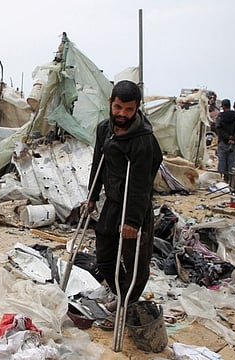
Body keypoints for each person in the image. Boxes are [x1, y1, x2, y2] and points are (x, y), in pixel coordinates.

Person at [87, 80, 162, 323]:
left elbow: (141, 184)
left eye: (129, 110)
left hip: (136, 206)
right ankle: (120, 290)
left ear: (137, 108)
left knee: (135, 260)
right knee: (104, 254)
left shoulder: (143, 140)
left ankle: (128, 301)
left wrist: (132, 221)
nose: (122, 114)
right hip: (113, 202)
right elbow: (98, 163)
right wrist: (91, 196)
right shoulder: (103, 129)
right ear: (111, 103)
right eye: (118, 108)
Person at [215, 99, 235, 182]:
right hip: (233, 143)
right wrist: (233, 138)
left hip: (223, 142)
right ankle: (231, 181)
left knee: (222, 161)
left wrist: (227, 137)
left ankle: (220, 181)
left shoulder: (220, 116)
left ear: (223, 106)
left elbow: (218, 129)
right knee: (231, 162)